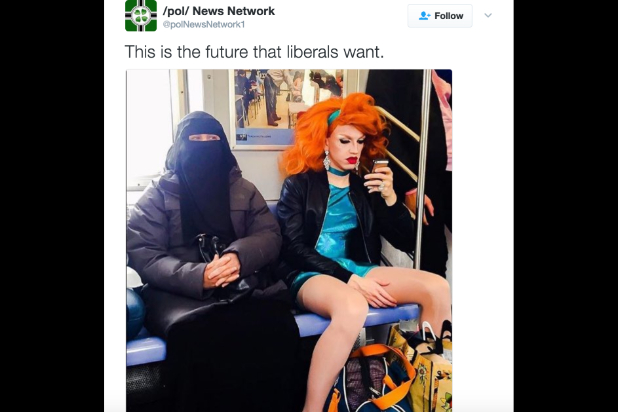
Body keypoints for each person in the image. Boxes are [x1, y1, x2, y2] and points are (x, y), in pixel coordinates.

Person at [276, 93, 452, 412]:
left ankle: (430, 396)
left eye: (359, 142)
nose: (354, 149)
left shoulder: (363, 186)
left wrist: (390, 198)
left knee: (437, 287)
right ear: (324, 141)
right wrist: (348, 278)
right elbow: (293, 247)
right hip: (309, 271)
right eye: (345, 141)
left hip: (355, 267)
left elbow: (406, 240)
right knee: (353, 305)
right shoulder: (298, 185)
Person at [127, 111, 300, 412]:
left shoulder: (244, 190)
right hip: (176, 292)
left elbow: (270, 235)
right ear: (179, 146)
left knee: (275, 322)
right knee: (197, 334)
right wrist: (199, 276)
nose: (204, 145)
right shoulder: (157, 195)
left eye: (212, 139)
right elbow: (145, 253)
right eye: (196, 139)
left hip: (239, 282)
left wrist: (238, 257)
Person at [366, 69, 452, 277]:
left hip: (445, 166)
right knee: (432, 252)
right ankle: (431, 297)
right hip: (424, 171)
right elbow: (383, 122)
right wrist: (410, 184)